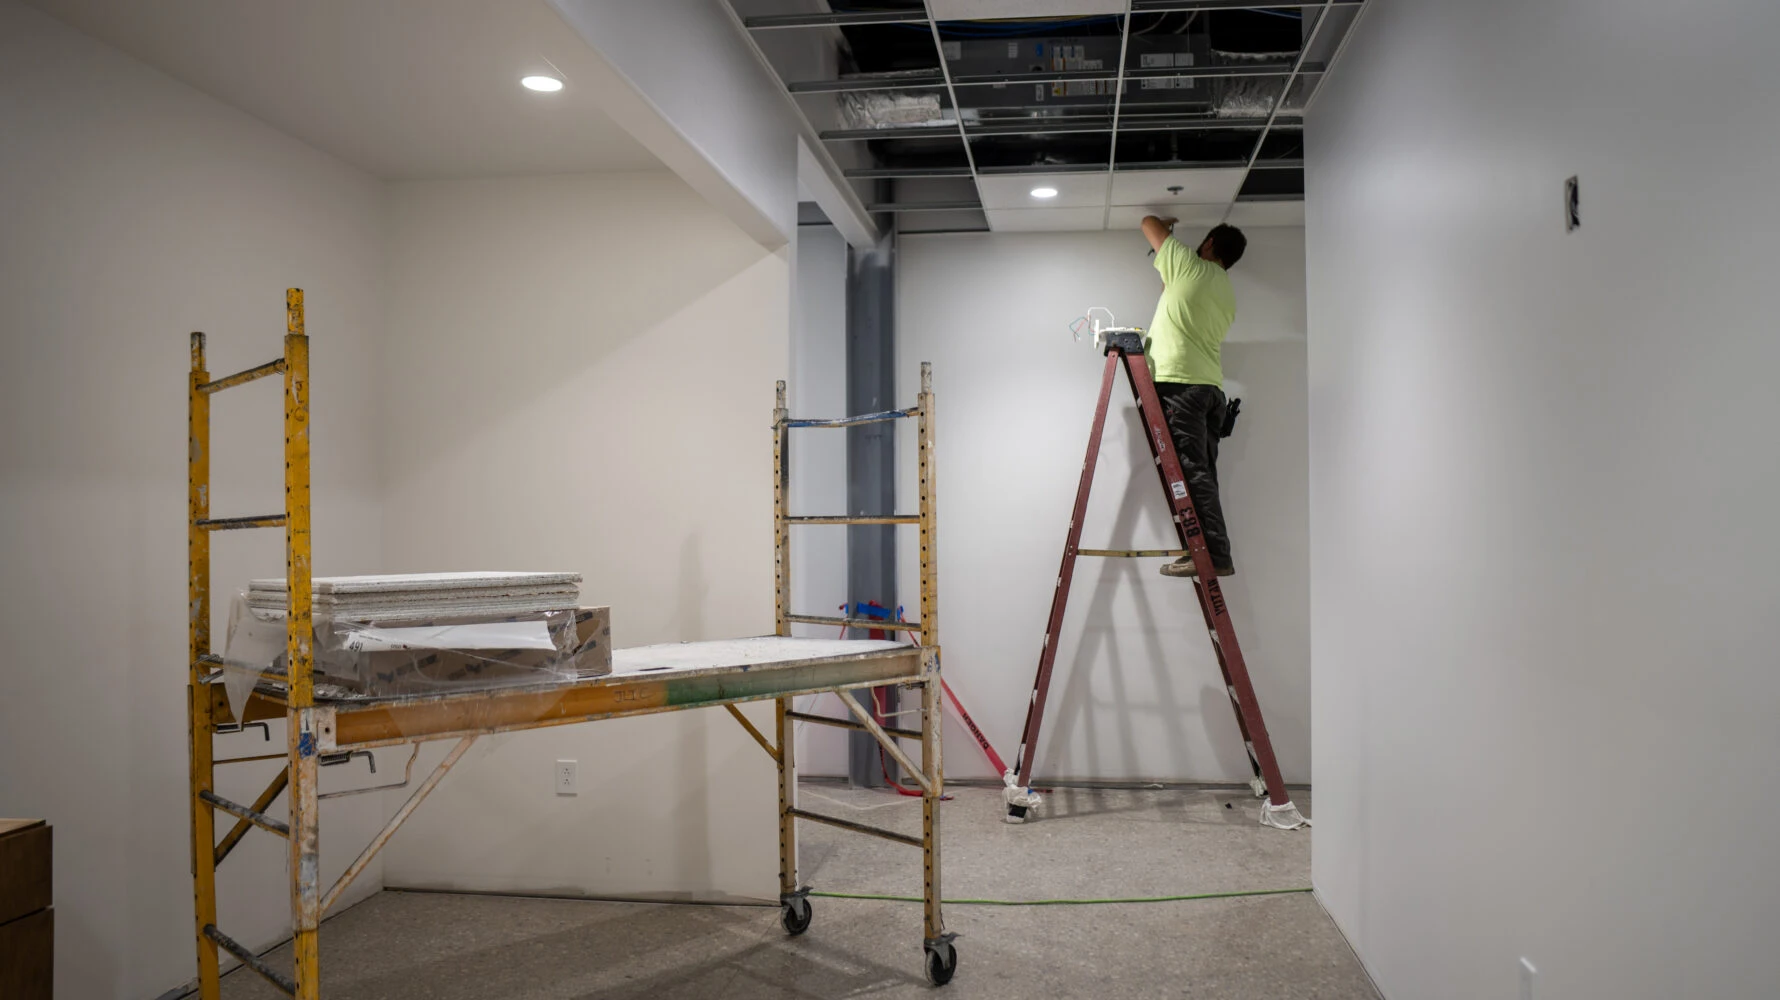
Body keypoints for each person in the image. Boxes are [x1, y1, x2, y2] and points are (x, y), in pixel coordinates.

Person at [1139, 216, 1246, 578]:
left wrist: (1165, 226)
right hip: (1210, 390)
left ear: (1210, 243)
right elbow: (1174, 291)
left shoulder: (1191, 266)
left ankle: (1214, 555)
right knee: (1202, 474)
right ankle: (1202, 550)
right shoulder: (1224, 290)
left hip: (1182, 386)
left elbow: (1147, 222)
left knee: (1191, 472)